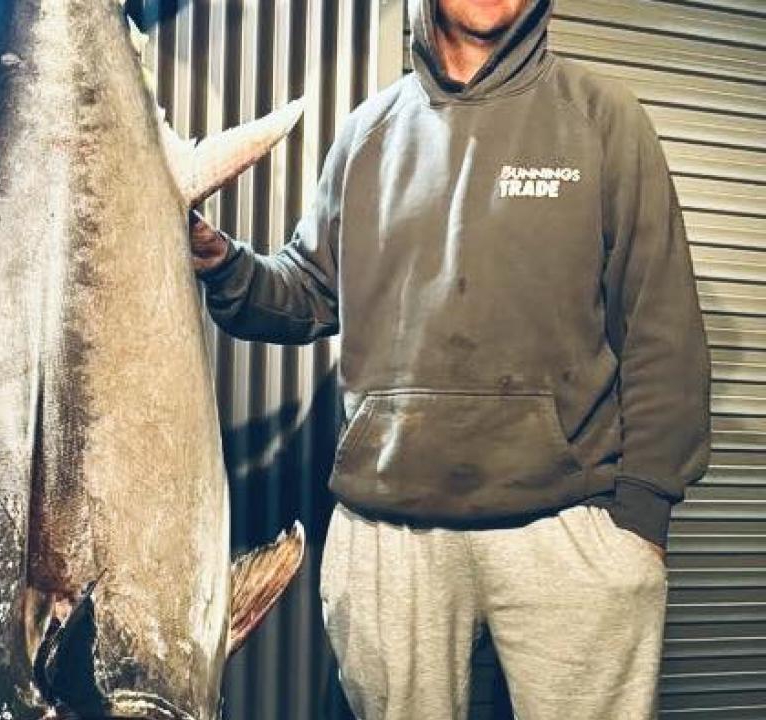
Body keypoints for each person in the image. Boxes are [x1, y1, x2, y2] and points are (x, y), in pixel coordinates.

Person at [188, 0, 709, 717]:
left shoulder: (603, 117)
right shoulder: (367, 134)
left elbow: (663, 326)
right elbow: (307, 292)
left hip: (569, 524)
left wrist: (640, 523)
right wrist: (223, 264)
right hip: (390, 530)